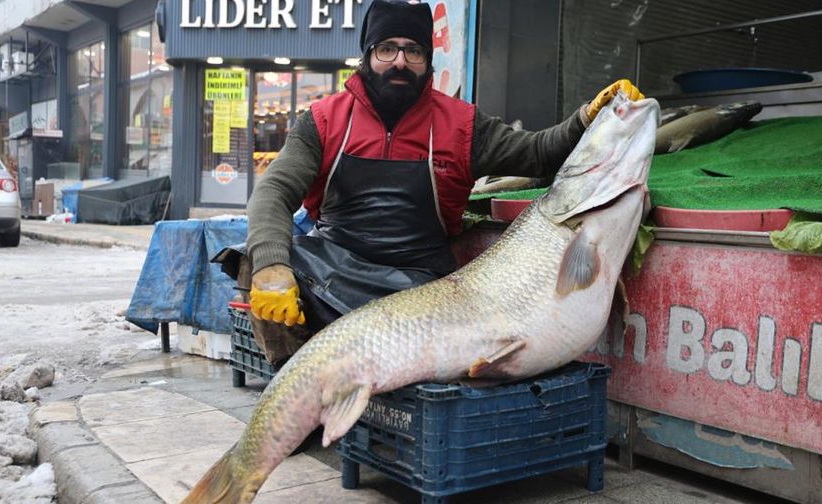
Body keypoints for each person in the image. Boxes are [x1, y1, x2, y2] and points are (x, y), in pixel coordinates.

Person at [245, 0, 644, 367]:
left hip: (421, 287)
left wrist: (586, 118)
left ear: (427, 60)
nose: (400, 61)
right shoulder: (323, 120)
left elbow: (537, 153)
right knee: (256, 260)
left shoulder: (462, 126)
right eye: (387, 49)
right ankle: (294, 380)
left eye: (413, 51)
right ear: (367, 56)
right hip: (334, 270)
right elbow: (274, 192)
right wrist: (272, 267)